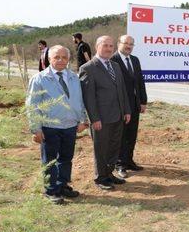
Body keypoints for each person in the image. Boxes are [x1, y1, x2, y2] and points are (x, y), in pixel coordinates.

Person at [26, 45, 89, 203]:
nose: (61, 60)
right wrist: (36, 129)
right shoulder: (39, 79)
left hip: (70, 126)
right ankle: (51, 190)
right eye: (57, 57)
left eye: (64, 57)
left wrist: (83, 120)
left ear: (69, 59)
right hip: (50, 127)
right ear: (49, 59)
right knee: (50, 160)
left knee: (66, 158)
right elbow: (32, 105)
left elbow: (79, 100)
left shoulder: (74, 77)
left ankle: (62, 185)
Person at [80, 36, 131, 190]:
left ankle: (109, 174)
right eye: (105, 45)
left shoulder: (115, 66)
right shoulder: (88, 68)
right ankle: (100, 178)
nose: (109, 49)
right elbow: (88, 98)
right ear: (97, 46)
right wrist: (94, 119)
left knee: (114, 147)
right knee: (101, 149)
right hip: (101, 118)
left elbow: (122, 91)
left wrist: (127, 110)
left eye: (111, 45)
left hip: (118, 115)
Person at [111, 35, 148, 178]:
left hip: (134, 104)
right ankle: (120, 164)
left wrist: (143, 101)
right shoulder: (113, 60)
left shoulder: (135, 60)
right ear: (119, 43)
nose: (128, 46)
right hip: (120, 105)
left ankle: (129, 160)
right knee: (121, 135)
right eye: (126, 43)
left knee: (132, 134)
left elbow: (140, 82)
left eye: (131, 44)